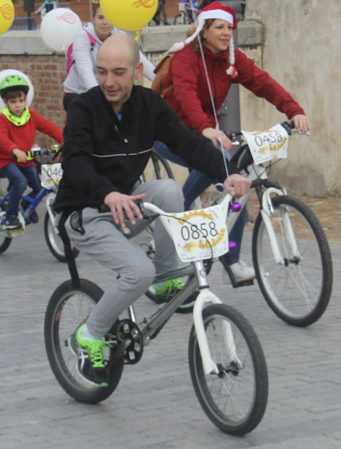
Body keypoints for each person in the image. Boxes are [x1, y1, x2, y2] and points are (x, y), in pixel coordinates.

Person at [55, 34, 252, 387]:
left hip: (127, 205)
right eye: (101, 72)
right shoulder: (83, 108)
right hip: (85, 212)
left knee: (167, 189)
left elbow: (187, 143)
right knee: (137, 272)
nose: (109, 82)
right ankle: (89, 333)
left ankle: (167, 278)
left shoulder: (149, 104)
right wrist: (108, 194)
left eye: (118, 72)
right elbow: (76, 162)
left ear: (136, 72)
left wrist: (228, 173)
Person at [155, 2, 310, 283]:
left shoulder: (230, 59)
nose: (227, 33)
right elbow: (187, 94)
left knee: (236, 183)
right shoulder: (185, 57)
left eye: (230, 28)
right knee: (222, 170)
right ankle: (175, 222)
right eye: (220, 27)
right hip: (169, 132)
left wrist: (293, 110)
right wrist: (205, 128)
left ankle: (231, 256)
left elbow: (263, 82)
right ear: (203, 30)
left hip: (203, 133)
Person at [0, 73, 63, 231]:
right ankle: (10, 216)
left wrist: (66, 140)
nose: (17, 105)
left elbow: (48, 127)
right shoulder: (3, 119)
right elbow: (2, 138)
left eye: (20, 100)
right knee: (20, 182)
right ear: (5, 102)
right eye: (13, 102)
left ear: (25, 100)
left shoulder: (31, 115)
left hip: (27, 160)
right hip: (7, 160)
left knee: (40, 188)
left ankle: (25, 204)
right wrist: (14, 149)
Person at [62, 2, 155, 110]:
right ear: (94, 19)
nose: (105, 22)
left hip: (108, 91)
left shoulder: (119, 36)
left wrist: (159, 79)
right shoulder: (83, 38)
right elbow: (85, 71)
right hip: (78, 92)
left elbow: (139, 59)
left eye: (108, 18)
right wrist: (100, 99)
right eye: (100, 17)